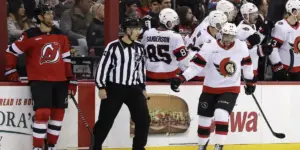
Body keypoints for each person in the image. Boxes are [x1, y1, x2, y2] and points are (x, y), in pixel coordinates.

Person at [169, 23, 256, 150]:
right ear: (221, 34)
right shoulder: (209, 46)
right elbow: (196, 66)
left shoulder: (241, 46)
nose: (228, 40)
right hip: (209, 88)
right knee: (204, 119)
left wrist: (250, 81)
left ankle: (218, 146)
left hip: (230, 88)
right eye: (226, 36)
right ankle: (201, 146)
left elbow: (247, 65)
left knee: (221, 113)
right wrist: (182, 78)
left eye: (231, 37)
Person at [4, 4, 77, 150]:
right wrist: (10, 71)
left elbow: (67, 59)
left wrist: (71, 81)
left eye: (51, 13)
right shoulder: (30, 35)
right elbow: (10, 52)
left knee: (58, 114)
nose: (51, 16)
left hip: (60, 81)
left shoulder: (61, 35)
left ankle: (51, 146)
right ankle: (37, 147)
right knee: (43, 113)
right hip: (40, 80)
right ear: (39, 17)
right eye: (47, 14)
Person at [92, 18, 150, 150]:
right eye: (136, 29)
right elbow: (103, 67)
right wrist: (101, 86)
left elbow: (140, 69)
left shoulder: (140, 47)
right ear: (128, 30)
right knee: (105, 121)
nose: (138, 32)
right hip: (114, 88)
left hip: (134, 88)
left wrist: (142, 87)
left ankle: (139, 148)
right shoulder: (113, 46)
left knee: (144, 120)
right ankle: (95, 147)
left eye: (139, 29)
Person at [141, 8, 189, 81]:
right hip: (170, 74)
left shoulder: (147, 33)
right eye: (173, 21)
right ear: (168, 22)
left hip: (149, 74)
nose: (175, 24)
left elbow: (142, 54)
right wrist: (186, 75)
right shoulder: (175, 36)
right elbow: (183, 60)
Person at [186, 10, 228, 81]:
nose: (225, 25)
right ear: (217, 24)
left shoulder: (204, 27)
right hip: (194, 65)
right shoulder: (209, 41)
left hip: (190, 57)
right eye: (223, 23)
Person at [237, 2, 273, 76]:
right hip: (246, 70)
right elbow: (255, 41)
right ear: (245, 16)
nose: (256, 16)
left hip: (252, 67)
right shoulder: (243, 30)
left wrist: (262, 31)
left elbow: (255, 41)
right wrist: (262, 31)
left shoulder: (250, 25)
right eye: (253, 15)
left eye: (256, 13)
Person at [269, 0, 300, 81]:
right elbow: (272, 49)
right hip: (285, 71)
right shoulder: (281, 27)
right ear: (294, 11)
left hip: (298, 71)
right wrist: (278, 67)